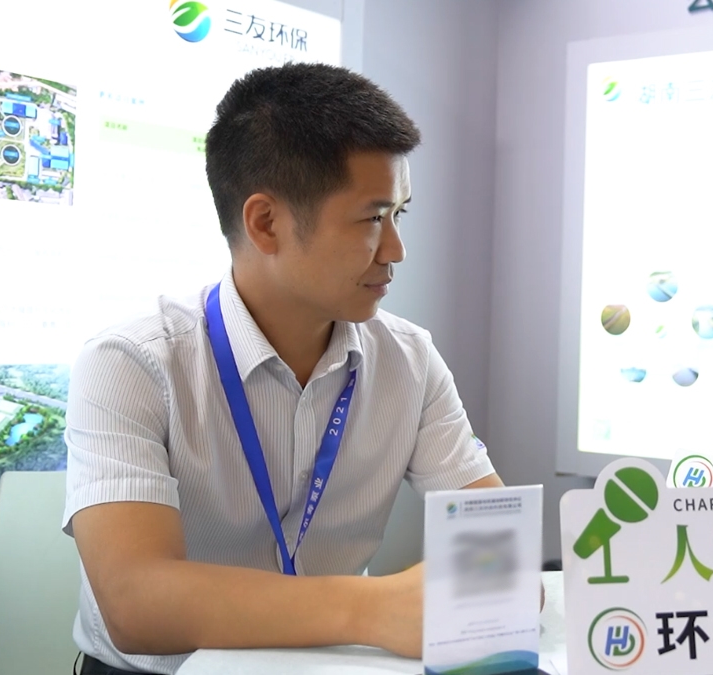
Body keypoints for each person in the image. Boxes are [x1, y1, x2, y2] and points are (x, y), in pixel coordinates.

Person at [62, 63, 503, 675]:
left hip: (331, 667)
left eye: (400, 215)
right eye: (373, 218)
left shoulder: (409, 359)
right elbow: (137, 605)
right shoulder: (131, 363)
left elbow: (498, 554)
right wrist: (372, 608)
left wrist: (488, 582)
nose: (396, 250)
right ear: (265, 223)